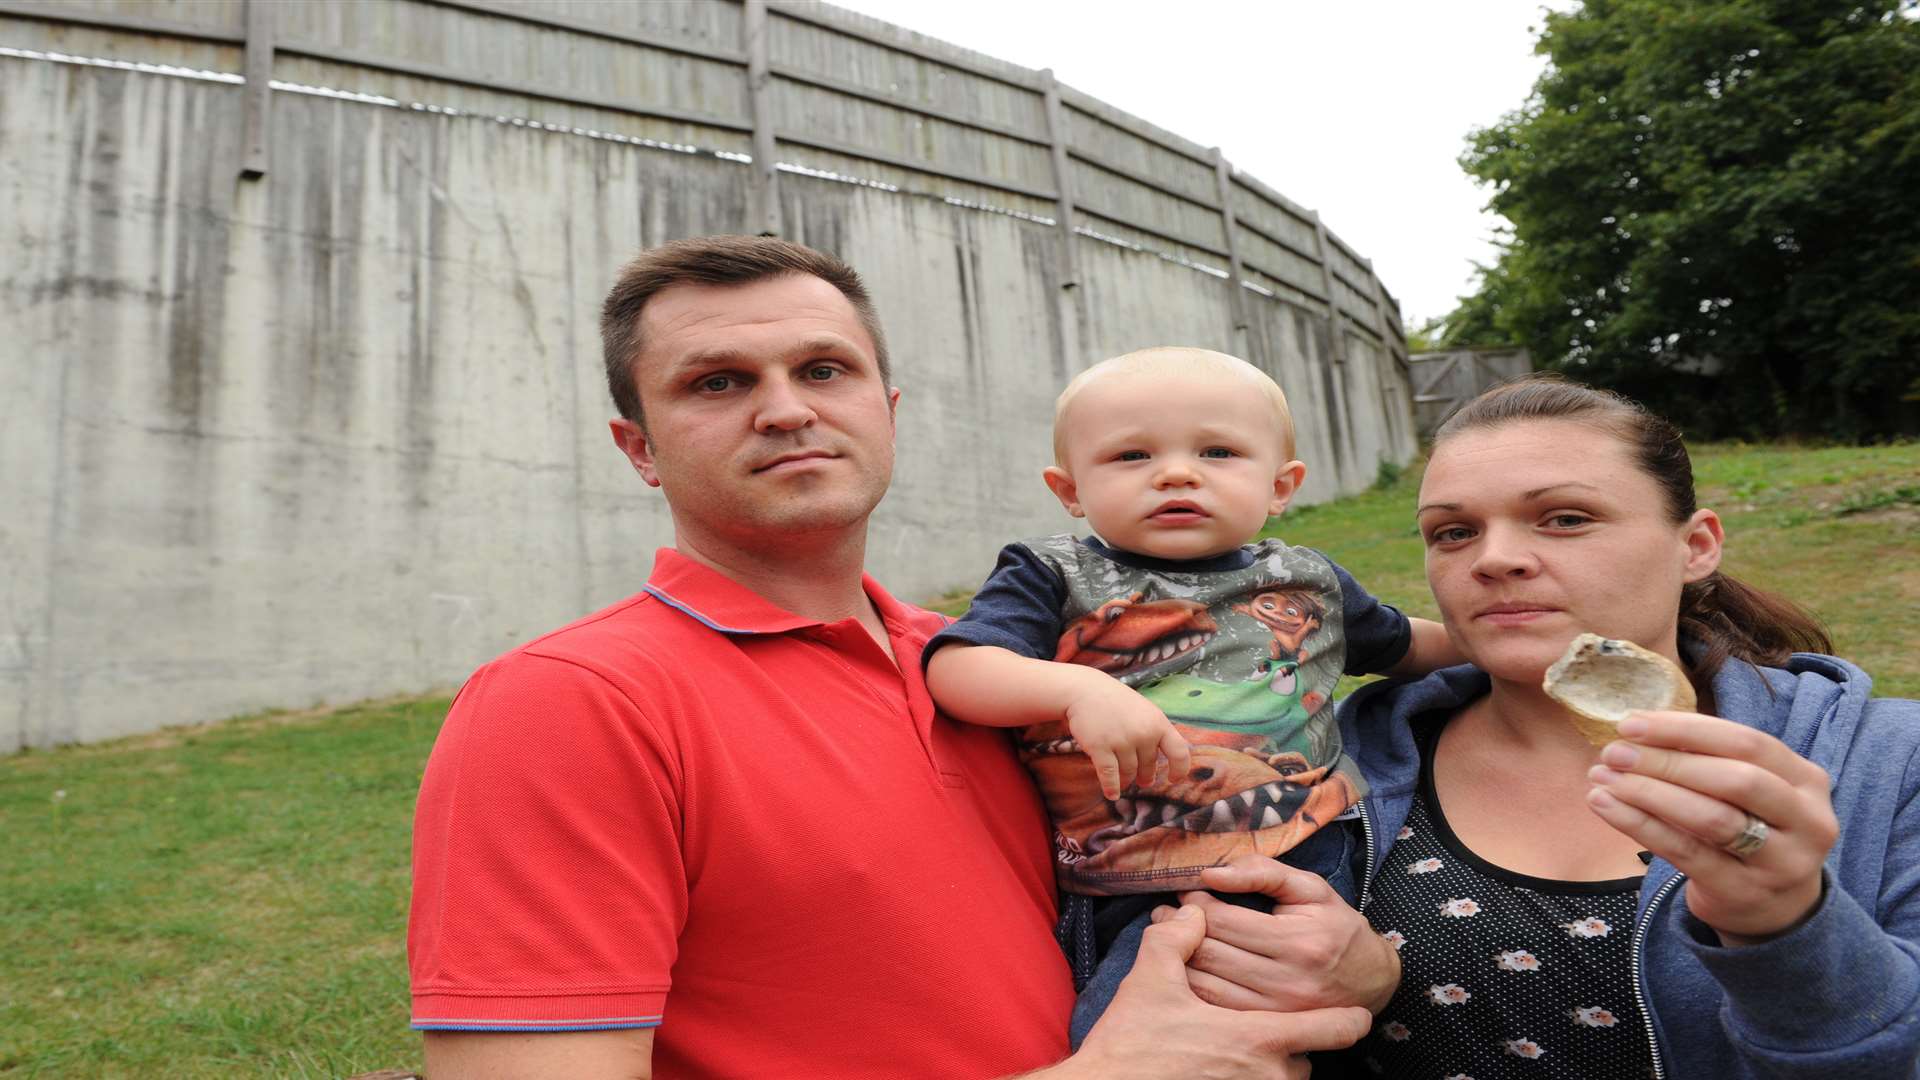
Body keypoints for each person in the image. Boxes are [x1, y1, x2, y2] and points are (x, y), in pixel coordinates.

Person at [406, 236, 1383, 1079]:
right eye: (718, 382)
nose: (786, 411)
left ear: (889, 407)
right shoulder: (569, 703)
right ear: (640, 448)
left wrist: (1361, 966)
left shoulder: (1005, 666)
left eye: (824, 370)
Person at [1303, 375, 1920, 1078]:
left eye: (1566, 518)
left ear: (1697, 546)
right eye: (1453, 532)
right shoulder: (1338, 759)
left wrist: (1785, 929)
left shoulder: (1892, 762)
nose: (1493, 558)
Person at [923, 347, 1458, 1037]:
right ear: (1071, 490)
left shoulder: (1309, 579)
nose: (1177, 472)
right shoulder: (1052, 572)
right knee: (1134, 1032)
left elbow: (1410, 647)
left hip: (1311, 852)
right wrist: (1074, 687)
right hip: (1136, 875)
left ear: (1280, 485)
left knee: (1314, 1027)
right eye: (1131, 457)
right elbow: (959, 669)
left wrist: (1505, 645)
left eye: (1218, 451)